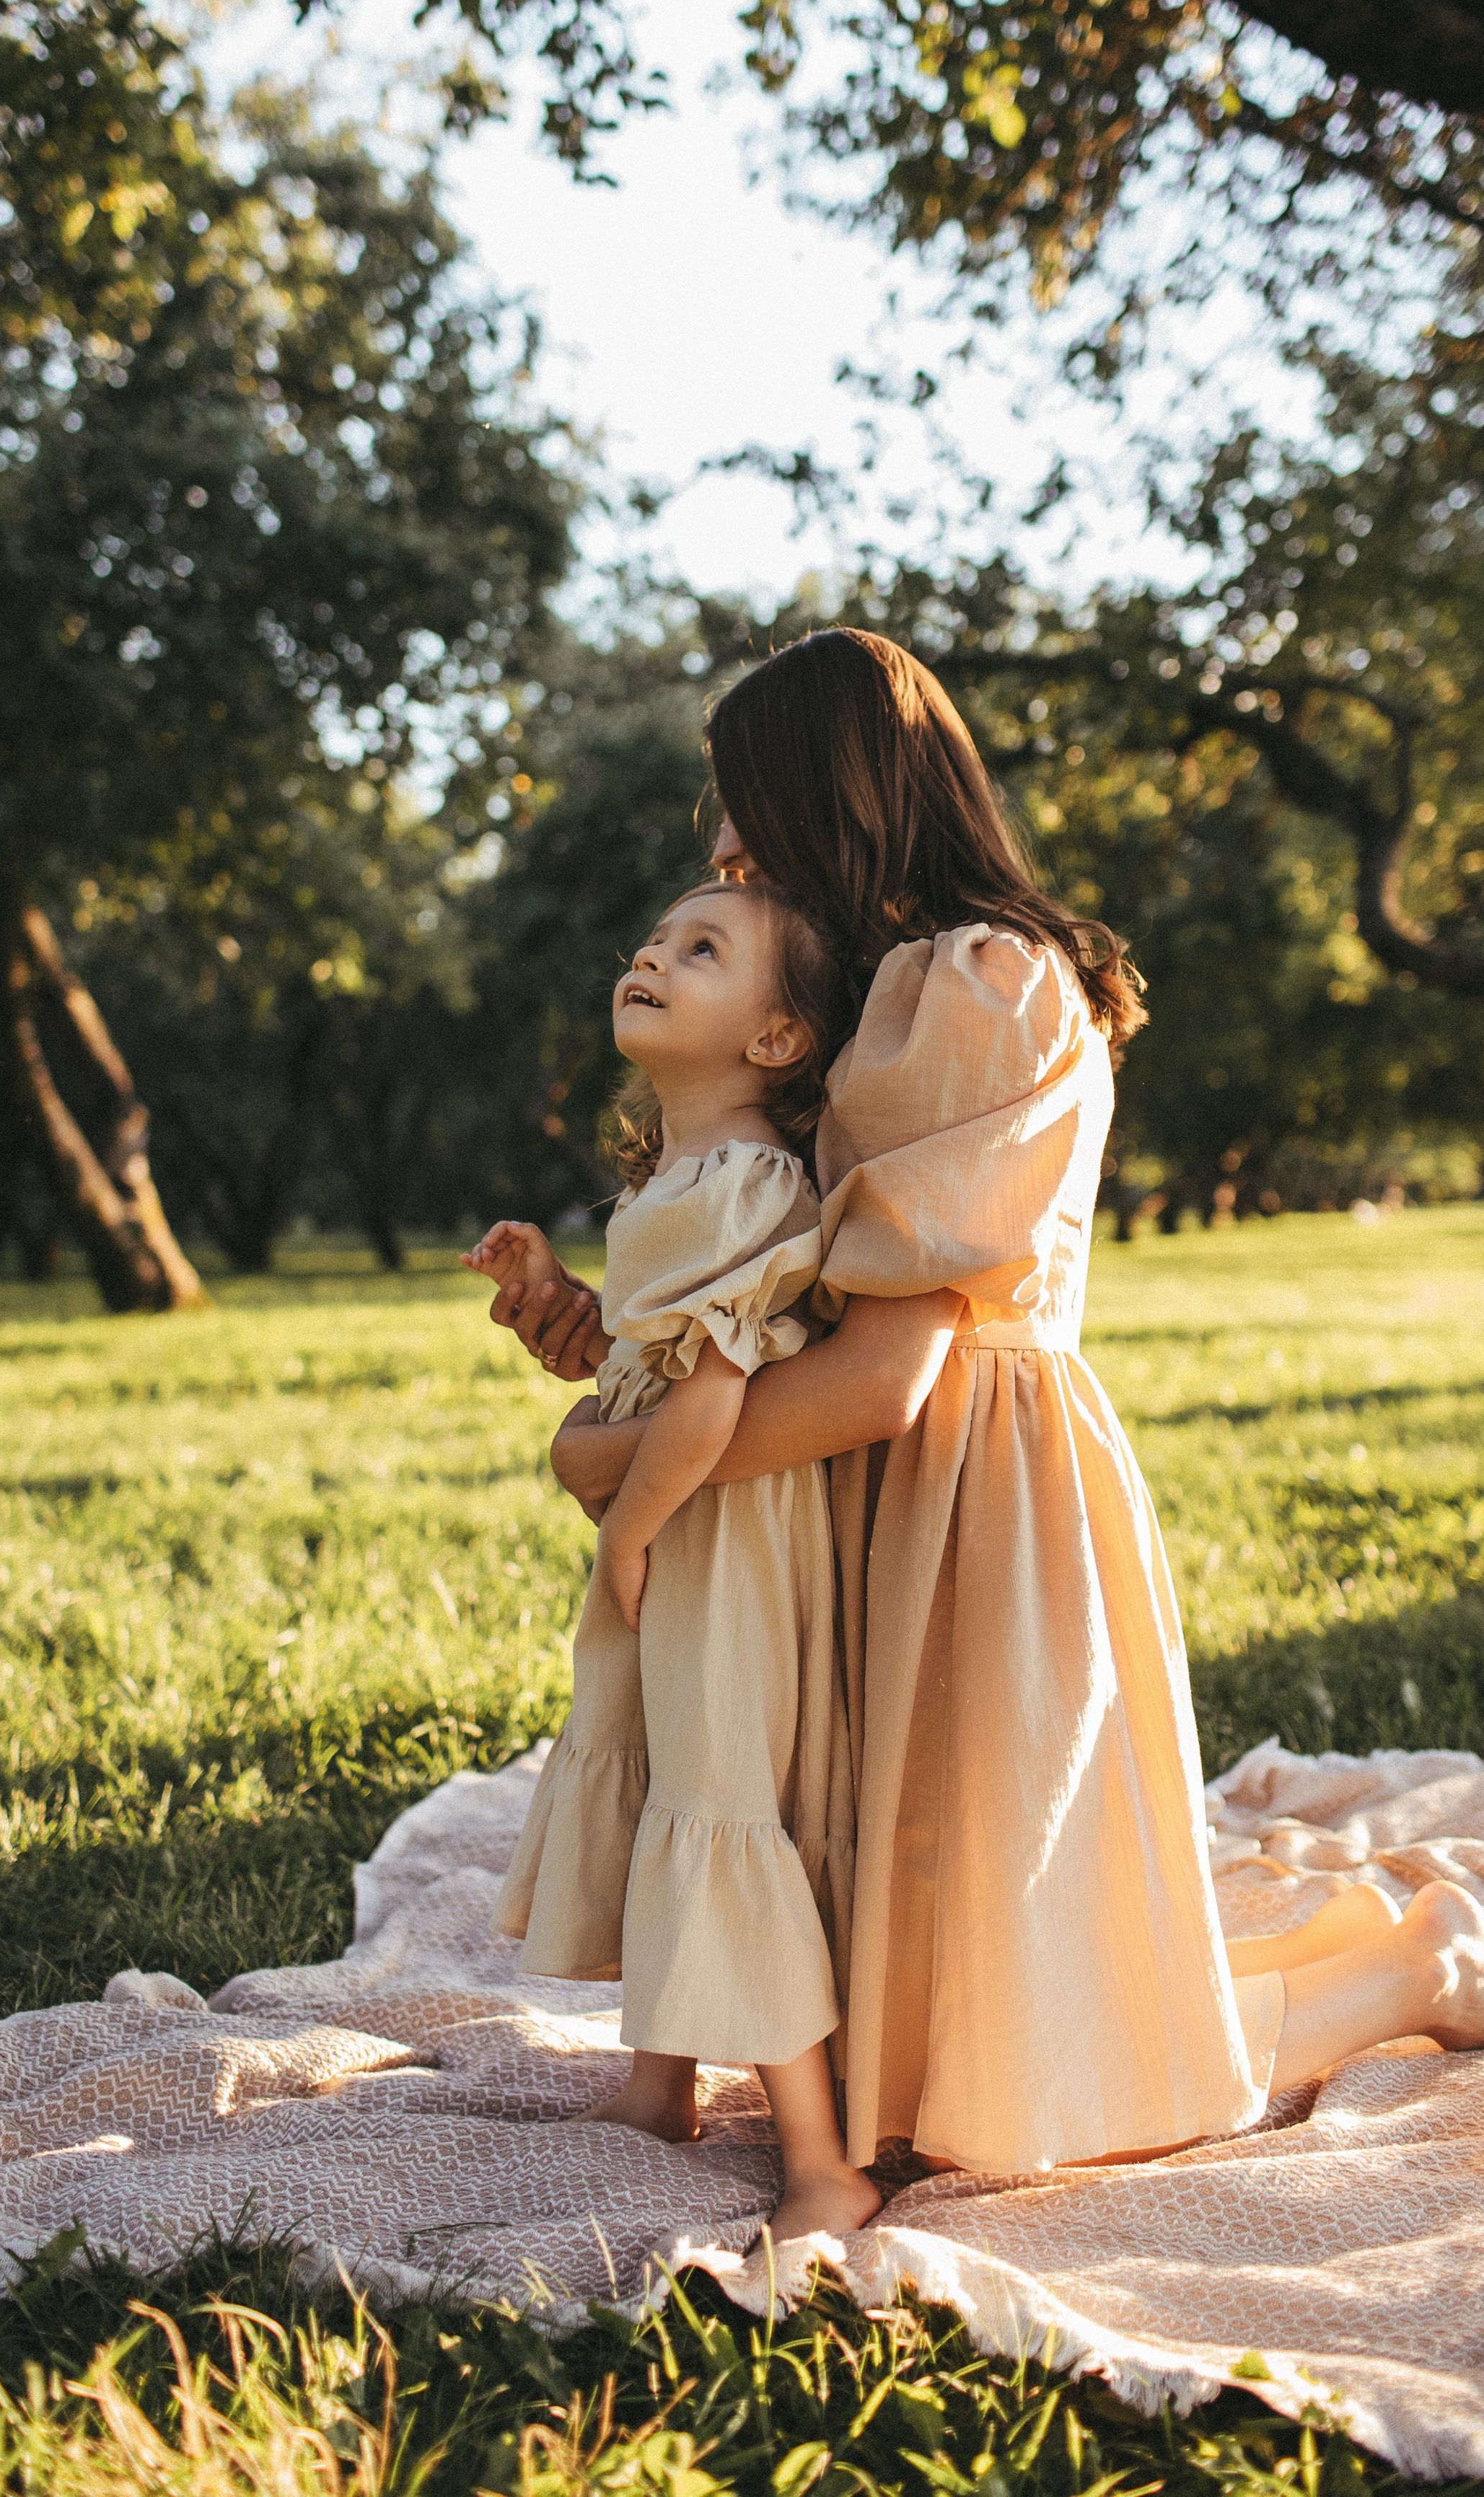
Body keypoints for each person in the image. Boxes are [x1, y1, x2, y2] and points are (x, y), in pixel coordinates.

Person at [491, 628, 1484, 2234]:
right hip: (874, 1476)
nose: (718, 848)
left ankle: (1398, 1971)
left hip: (973, 1479)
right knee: (926, 1955)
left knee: (1001, 2075)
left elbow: (887, 1372)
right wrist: (603, 1350)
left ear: (831, 794)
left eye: (742, 802)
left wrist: (617, 1473)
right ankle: (1329, 1963)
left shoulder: (967, 983)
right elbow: (777, 1299)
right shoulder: (891, 983)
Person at [467, 879, 876, 2242]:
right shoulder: (683, 1180)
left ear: (774, 1039)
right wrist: (566, 1307)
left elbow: (707, 1401)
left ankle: (820, 2162)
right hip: (683, 1516)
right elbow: (647, 1364)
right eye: (654, 937)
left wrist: (621, 1538)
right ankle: (662, 2084)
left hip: (722, 1532)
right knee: (663, 1781)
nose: (651, 952)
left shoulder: (753, 1177)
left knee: (717, 1799)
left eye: (702, 950)